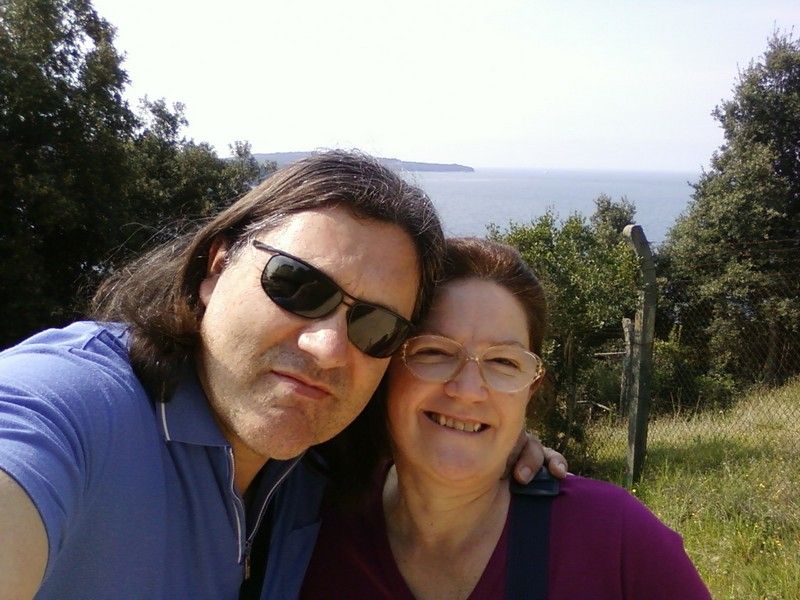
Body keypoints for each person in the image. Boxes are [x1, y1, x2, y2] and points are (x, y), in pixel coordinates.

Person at [0, 151, 566, 599]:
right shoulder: (74, 408)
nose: (328, 349)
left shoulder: (318, 462)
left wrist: (483, 436)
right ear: (216, 267)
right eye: (297, 286)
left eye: (376, 326)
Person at [300, 237, 711, 599]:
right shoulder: (309, 522)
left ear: (530, 388)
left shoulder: (616, 539)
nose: (468, 390)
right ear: (388, 367)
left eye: (504, 362)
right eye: (434, 352)